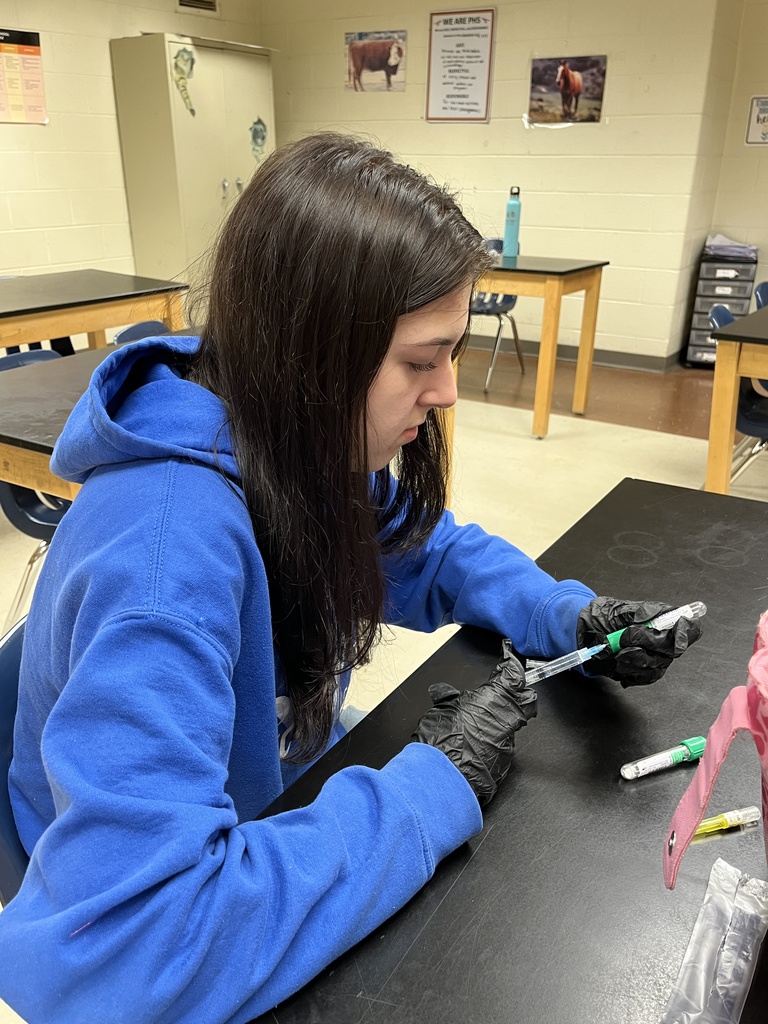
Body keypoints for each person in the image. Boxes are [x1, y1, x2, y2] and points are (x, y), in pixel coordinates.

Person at [0, 133, 701, 1023]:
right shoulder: (165, 561)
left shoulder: (288, 430)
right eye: (422, 360)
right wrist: (431, 787)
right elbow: (131, 953)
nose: (447, 391)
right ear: (312, 350)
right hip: (161, 881)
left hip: (271, 775)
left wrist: (568, 617)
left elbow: (426, 549)